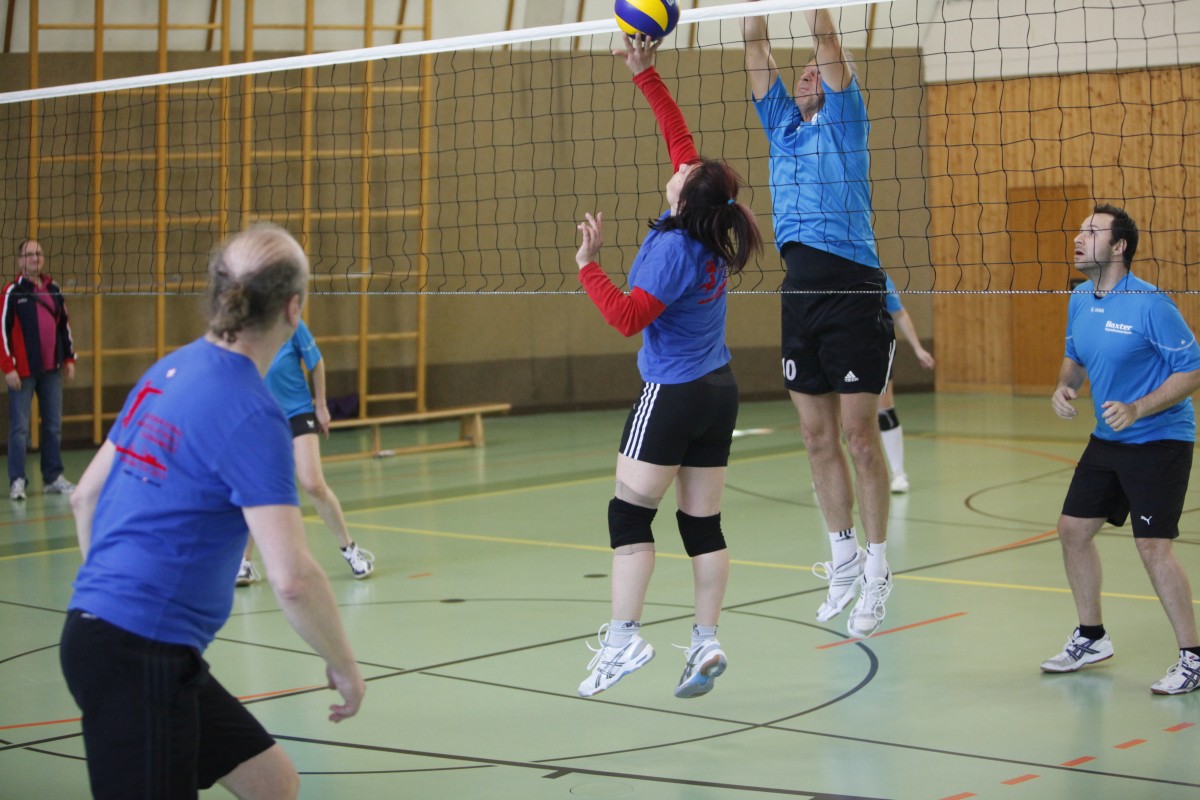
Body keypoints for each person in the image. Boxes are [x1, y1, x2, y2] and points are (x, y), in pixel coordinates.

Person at [61, 224, 366, 798]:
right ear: (293, 307)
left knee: (272, 783)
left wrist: (104, 598)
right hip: (140, 653)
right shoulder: (253, 412)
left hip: (106, 636)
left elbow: (85, 496)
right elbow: (294, 579)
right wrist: (344, 665)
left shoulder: (167, 370)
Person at [573, 35, 762, 699]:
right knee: (700, 524)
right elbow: (678, 136)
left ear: (685, 195)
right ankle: (706, 641)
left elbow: (628, 317)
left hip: (673, 393)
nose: (679, 165)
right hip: (719, 391)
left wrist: (588, 266)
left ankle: (624, 640)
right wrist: (645, 73)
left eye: (685, 171)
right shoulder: (709, 226)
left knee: (628, 517)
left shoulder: (671, 249)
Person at [742, 2, 895, 638]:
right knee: (814, 437)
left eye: (816, 71)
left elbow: (827, 40)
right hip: (799, 295)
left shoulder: (846, 120)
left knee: (859, 436)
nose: (807, 75)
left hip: (853, 292)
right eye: (799, 71)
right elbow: (755, 48)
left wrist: (814, 24)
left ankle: (878, 569)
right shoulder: (781, 126)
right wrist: (753, 10)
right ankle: (843, 558)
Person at [1042, 204, 1200, 695]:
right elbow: (1074, 357)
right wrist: (1064, 387)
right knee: (1072, 530)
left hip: (1160, 439)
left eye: (1092, 232)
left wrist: (1137, 408)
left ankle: (1193, 658)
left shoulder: (1151, 304)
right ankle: (1092, 637)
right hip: (1109, 439)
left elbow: (1192, 370)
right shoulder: (1079, 298)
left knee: (1152, 546)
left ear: (1119, 246)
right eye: (1079, 230)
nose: (1078, 237)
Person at [237, 319, 375, 585]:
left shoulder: (291, 325)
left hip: (298, 412)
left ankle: (350, 549)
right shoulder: (245, 330)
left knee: (313, 484)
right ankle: (244, 562)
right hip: (263, 418)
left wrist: (321, 406)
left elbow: (316, 363)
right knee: (256, 489)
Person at [2, 238, 76, 500]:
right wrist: (8, 367)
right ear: (20, 261)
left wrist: (69, 359)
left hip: (51, 370)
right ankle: (17, 480)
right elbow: (2, 332)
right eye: (29, 254)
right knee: (19, 429)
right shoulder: (12, 291)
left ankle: (52, 477)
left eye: (38, 254)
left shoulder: (53, 289)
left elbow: (63, 326)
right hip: (22, 373)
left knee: (53, 426)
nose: (35, 258)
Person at [879, 275, 934, 494]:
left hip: (873, 348)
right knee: (838, 413)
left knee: (884, 409)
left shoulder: (877, 275)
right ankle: (829, 473)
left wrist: (918, 349)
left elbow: (898, 312)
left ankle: (898, 472)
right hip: (835, 348)